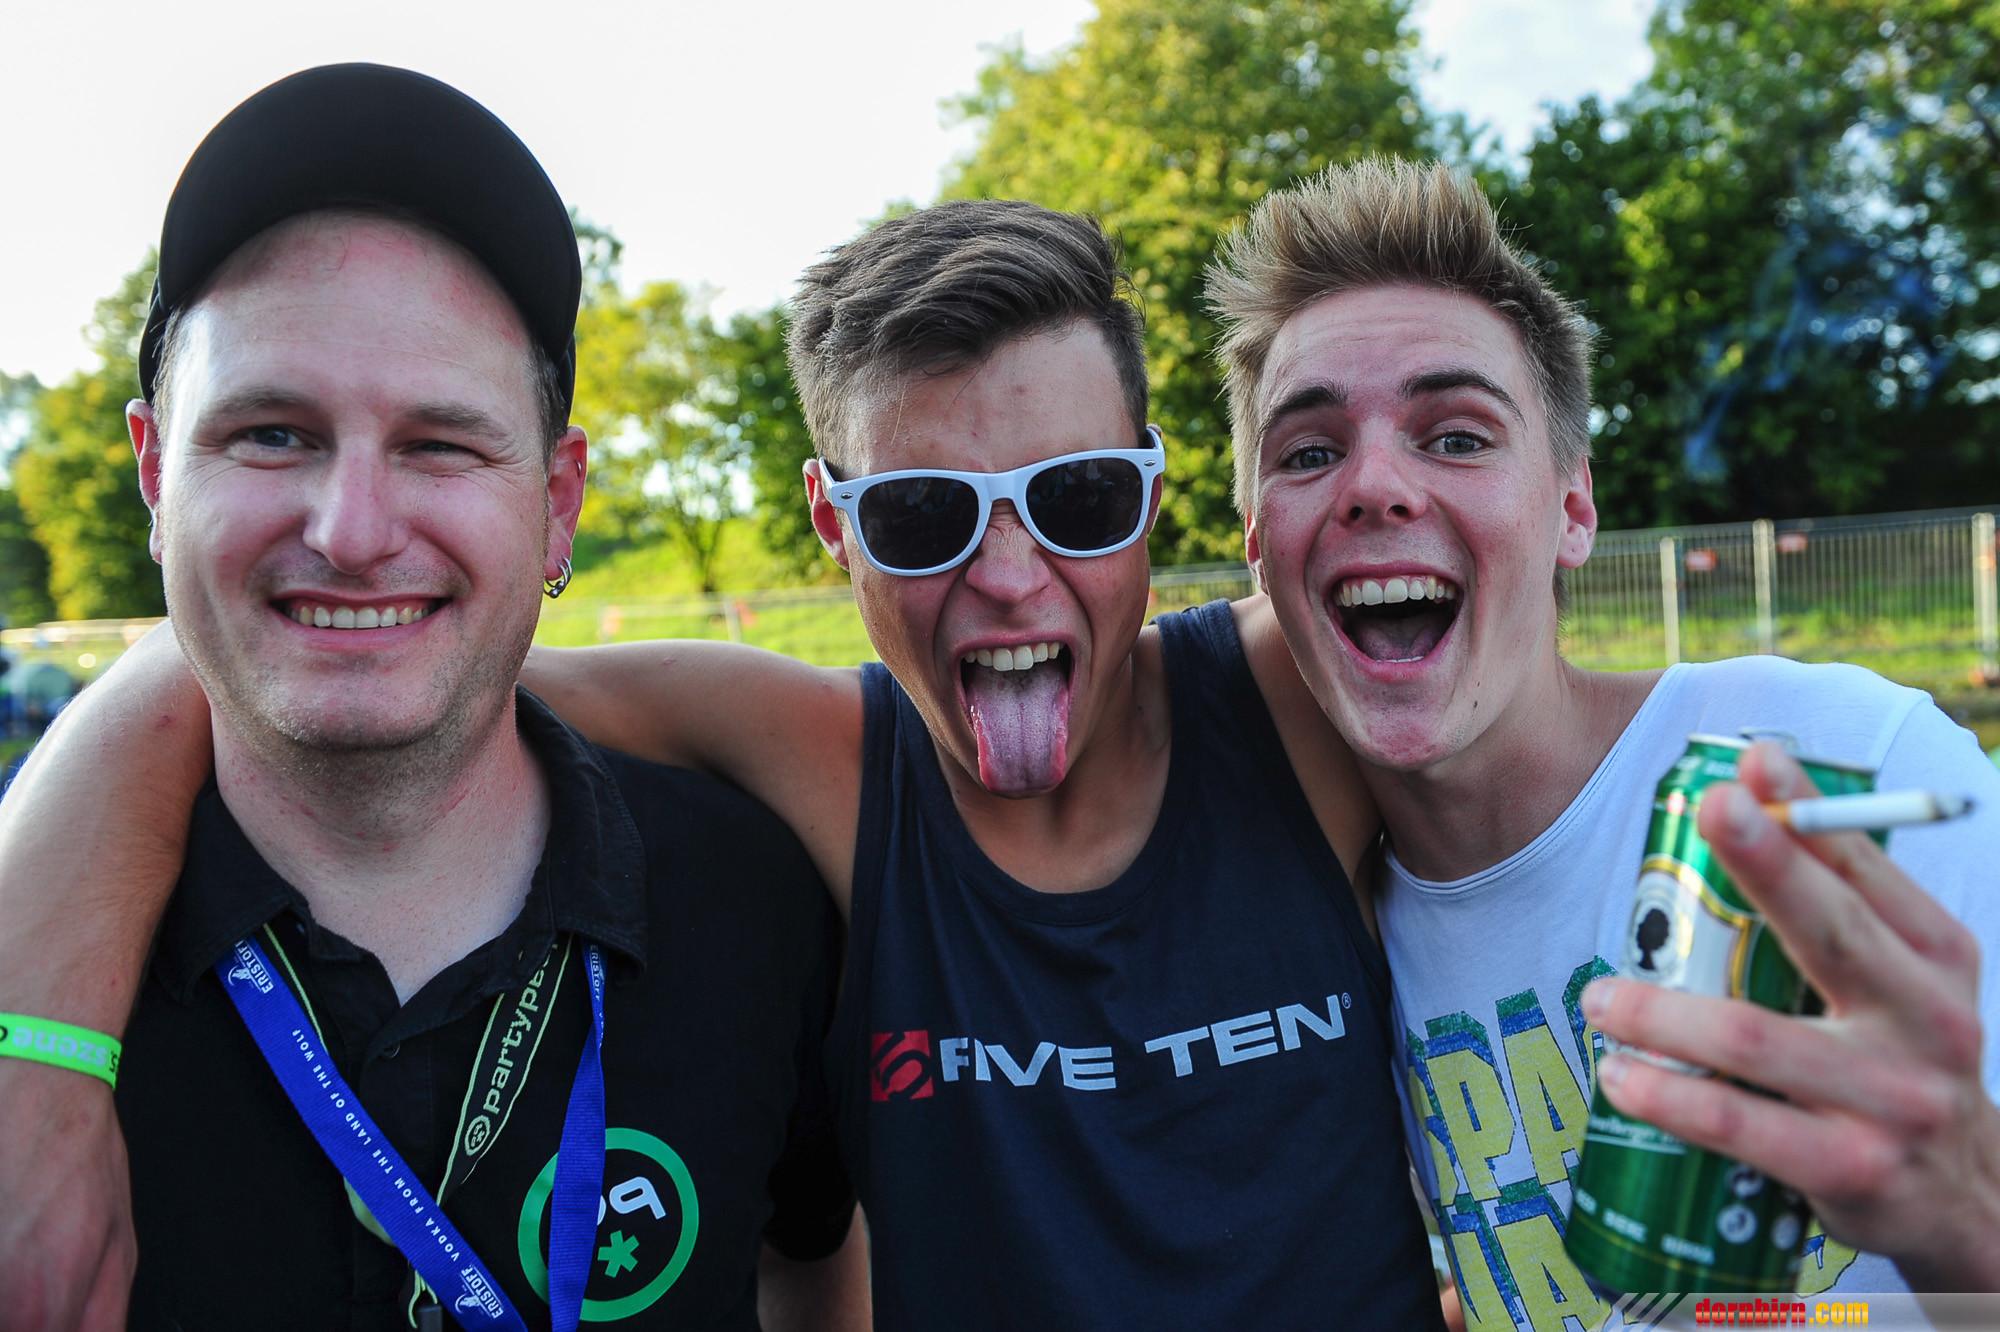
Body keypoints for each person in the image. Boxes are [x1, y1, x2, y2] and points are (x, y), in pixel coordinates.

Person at [0, 198, 1447, 1328]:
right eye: (923, 516)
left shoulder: (1296, 710)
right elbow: (317, 657)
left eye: (1074, 498)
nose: (1010, 577)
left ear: (1152, 487)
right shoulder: (830, 763)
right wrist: (37, 1061)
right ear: (833, 525)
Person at [0, 64, 865, 1332]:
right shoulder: (38, 989)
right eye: (271, 434)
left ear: (557, 504)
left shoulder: (763, 902)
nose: (351, 532)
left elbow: (814, 1264)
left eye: (440, 444)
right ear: (152, 475)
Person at [1205, 157, 2000, 1322]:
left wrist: (1960, 1214)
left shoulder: (1841, 763)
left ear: (1571, 510)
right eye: (1308, 452)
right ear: (1257, 546)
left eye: (1455, 437)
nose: (1373, 485)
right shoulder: (1321, 947)